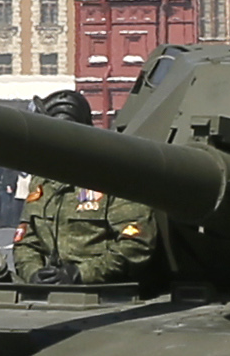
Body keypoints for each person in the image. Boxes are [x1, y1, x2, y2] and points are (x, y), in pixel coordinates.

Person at [11, 90, 163, 288]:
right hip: (51, 293)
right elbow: (26, 240)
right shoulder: (42, 181)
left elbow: (136, 244)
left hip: (107, 294)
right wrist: (33, 273)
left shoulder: (115, 179)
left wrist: (80, 274)